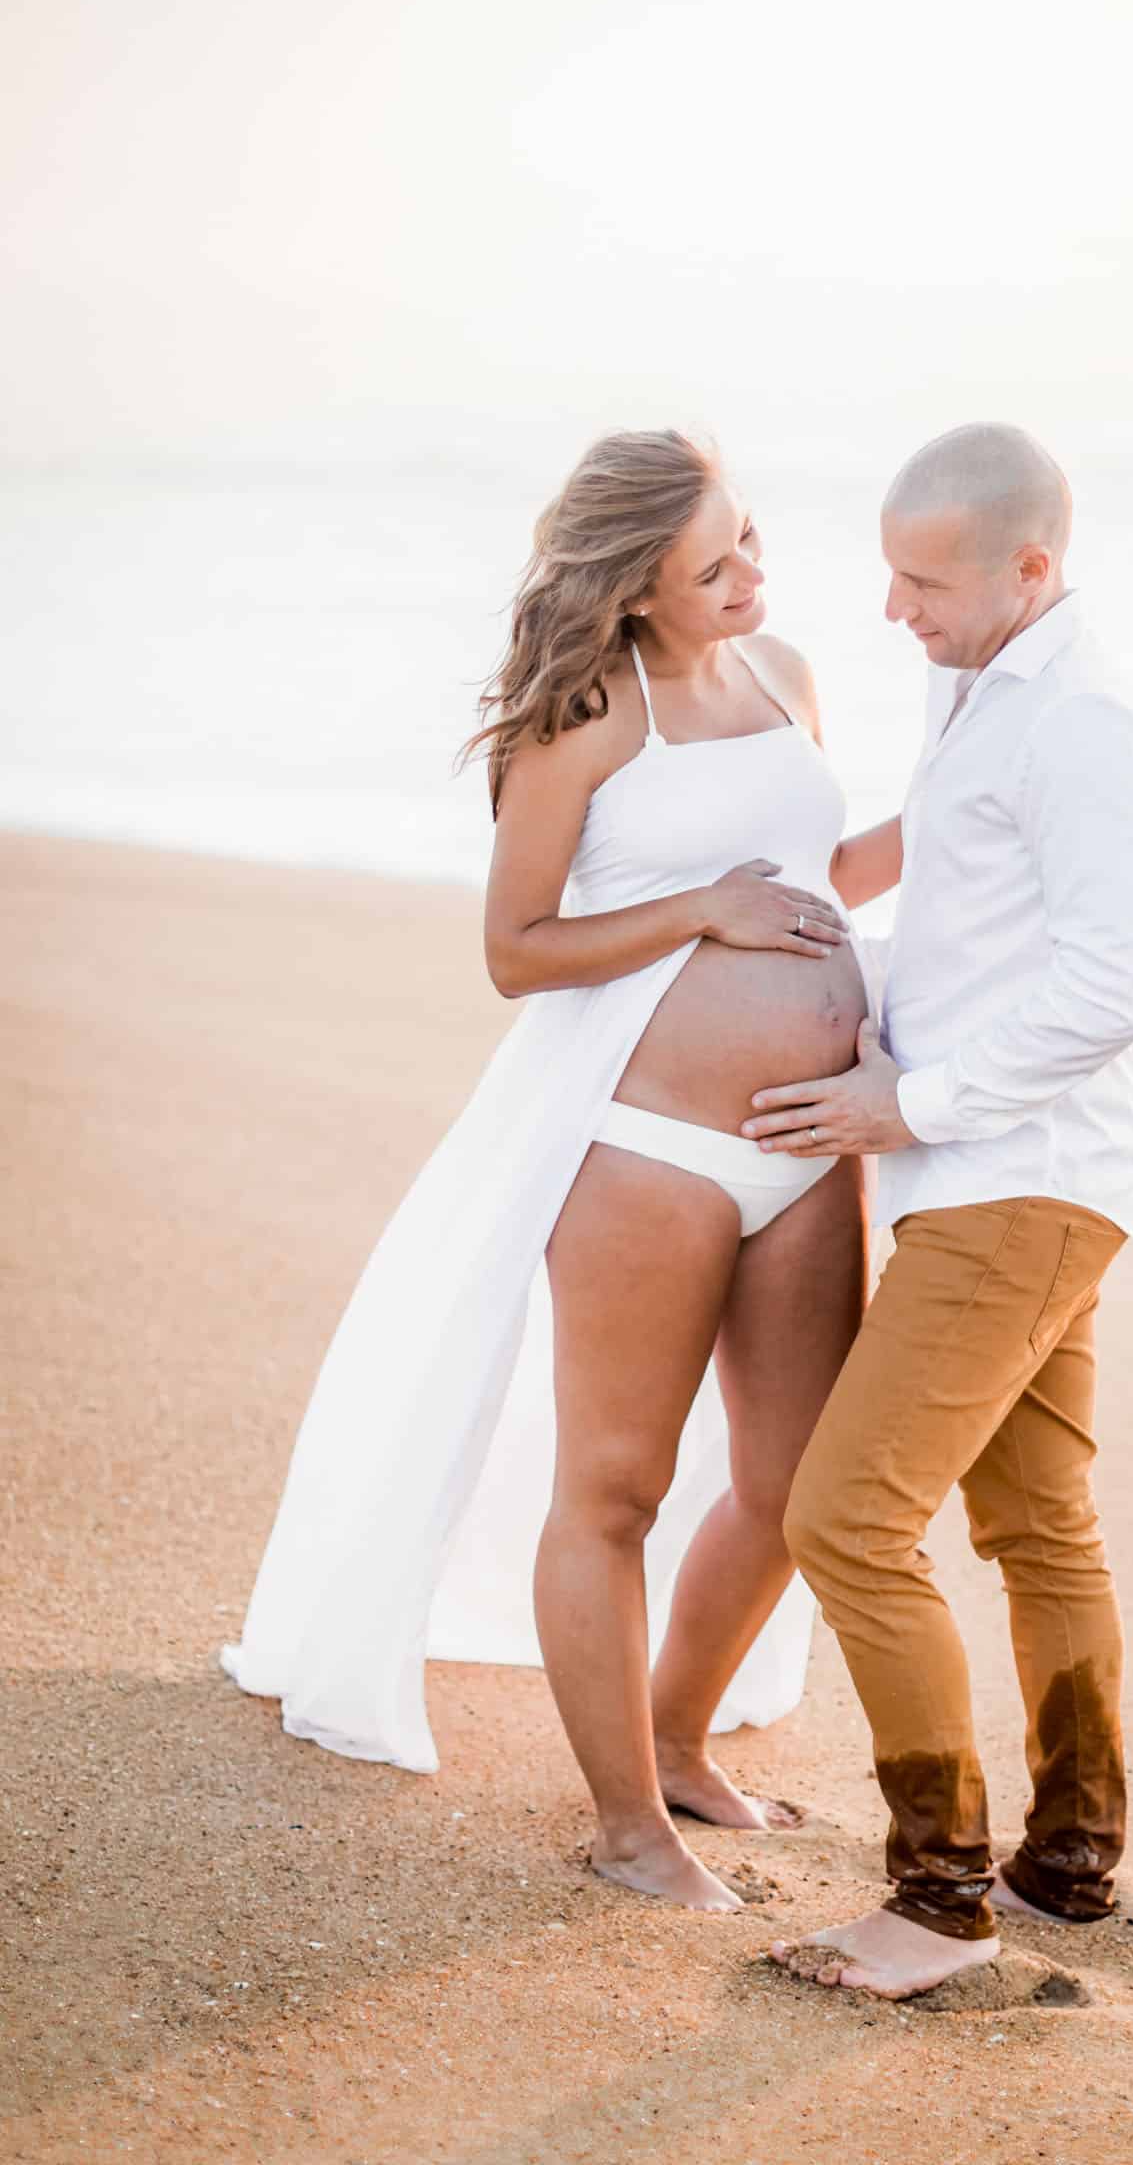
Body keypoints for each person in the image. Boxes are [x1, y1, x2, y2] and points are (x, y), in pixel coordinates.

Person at [223, 429, 902, 1913]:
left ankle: (672, 1740)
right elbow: (514, 951)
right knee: (617, 1484)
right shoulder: (590, 712)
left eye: (752, 544)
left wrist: (964, 821)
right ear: (634, 583)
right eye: (713, 563)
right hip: (647, 1150)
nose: (752, 576)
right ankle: (622, 1827)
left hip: (808, 1144)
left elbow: (810, 880)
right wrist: (695, 911)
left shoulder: (786, 675)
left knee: (796, 1483)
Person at [743, 422, 1133, 1997]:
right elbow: (963, 885)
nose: (891, 610)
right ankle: (1069, 1863)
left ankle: (937, 1902)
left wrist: (903, 1102)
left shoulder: (1084, 725)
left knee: (845, 1520)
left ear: (1032, 569)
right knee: (1038, 1524)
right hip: (1025, 1180)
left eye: (924, 580)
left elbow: (1114, 987)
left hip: (1011, 1184)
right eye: (888, 569)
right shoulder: (979, 683)